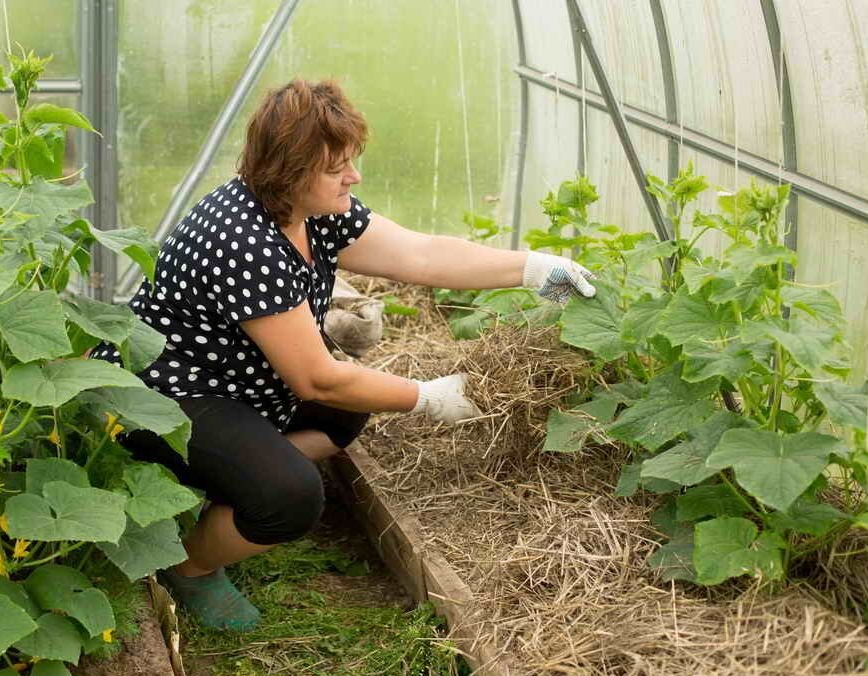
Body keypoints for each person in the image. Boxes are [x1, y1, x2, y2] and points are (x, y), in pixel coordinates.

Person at [89, 78, 595, 631]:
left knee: (347, 412)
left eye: (350, 161)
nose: (352, 176)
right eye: (337, 168)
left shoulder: (313, 210)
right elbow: (316, 379)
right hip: (165, 397)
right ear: (289, 169)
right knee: (290, 498)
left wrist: (531, 268)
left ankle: (221, 497)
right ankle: (189, 564)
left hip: (241, 381)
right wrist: (429, 398)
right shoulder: (242, 239)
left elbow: (421, 255)